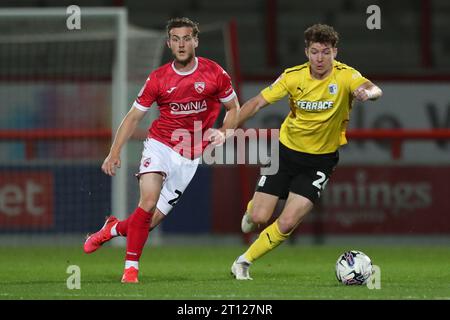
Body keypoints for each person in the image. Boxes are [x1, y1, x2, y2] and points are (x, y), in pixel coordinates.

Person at [83, 17, 240, 283]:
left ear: (196, 41)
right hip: (161, 145)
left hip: (191, 156)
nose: (181, 44)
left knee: (149, 221)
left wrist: (224, 132)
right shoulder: (158, 79)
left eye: (186, 38)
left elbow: (234, 108)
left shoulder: (215, 73)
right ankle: (131, 269)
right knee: (147, 202)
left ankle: (112, 229)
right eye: (175, 39)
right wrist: (114, 152)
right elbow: (133, 117)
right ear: (168, 43)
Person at [231, 24, 382, 280]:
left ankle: (243, 262)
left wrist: (367, 93)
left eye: (325, 52)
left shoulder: (346, 76)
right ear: (306, 52)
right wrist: (227, 128)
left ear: (335, 52)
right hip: (285, 153)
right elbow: (256, 102)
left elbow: (374, 88)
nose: (319, 58)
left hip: (320, 162)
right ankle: (252, 209)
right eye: (314, 52)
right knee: (258, 217)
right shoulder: (293, 76)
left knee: (288, 222)